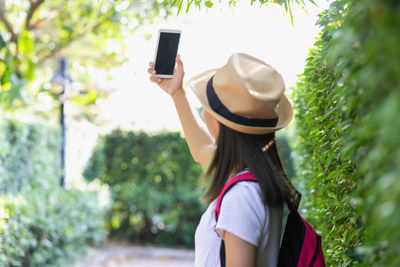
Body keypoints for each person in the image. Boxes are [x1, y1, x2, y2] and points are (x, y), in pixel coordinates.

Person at [148, 53, 297, 267]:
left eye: (207, 107)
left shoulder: (242, 197)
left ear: (218, 124)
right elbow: (202, 150)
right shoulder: (255, 176)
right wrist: (177, 93)